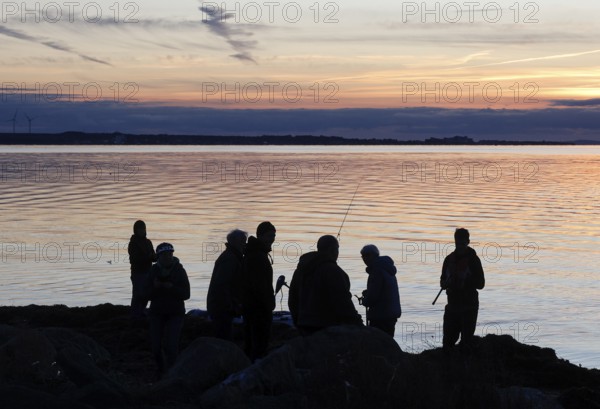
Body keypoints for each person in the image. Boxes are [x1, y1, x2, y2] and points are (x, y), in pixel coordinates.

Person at [288, 235, 363, 335]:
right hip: (327, 327)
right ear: (333, 250)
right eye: (337, 249)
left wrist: (297, 321)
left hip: (303, 325)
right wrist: (359, 324)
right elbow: (344, 303)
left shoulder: (300, 270)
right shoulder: (334, 271)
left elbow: (292, 299)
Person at [144, 242, 190, 377]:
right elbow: (145, 294)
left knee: (172, 346)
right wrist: (156, 287)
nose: (167, 257)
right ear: (158, 257)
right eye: (164, 255)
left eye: (170, 254)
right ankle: (162, 370)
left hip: (175, 314)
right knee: (156, 348)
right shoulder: (153, 271)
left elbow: (186, 294)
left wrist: (172, 288)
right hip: (156, 313)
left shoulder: (180, 270)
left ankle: (173, 373)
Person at [440, 228, 485, 351]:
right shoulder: (448, 260)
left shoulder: (474, 260)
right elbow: (442, 280)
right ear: (454, 242)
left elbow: (481, 284)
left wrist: (466, 279)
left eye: (462, 243)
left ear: (468, 242)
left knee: (466, 343)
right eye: (457, 243)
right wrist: (444, 284)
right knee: (448, 342)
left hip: (469, 307)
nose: (460, 246)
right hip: (452, 306)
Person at [241, 221, 276, 361]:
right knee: (258, 342)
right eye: (269, 235)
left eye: (273, 235)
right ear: (260, 236)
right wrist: (269, 305)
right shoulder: (257, 256)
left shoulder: (255, 253)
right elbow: (260, 286)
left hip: (252, 306)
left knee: (252, 341)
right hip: (258, 308)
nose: (272, 239)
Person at [207, 229, 247, 340]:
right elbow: (222, 285)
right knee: (223, 338)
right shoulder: (230, 259)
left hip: (222, 307)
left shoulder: (232, 257)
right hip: (222, 308)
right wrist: (231, 306)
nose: (245, 245)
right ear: (236, 243)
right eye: (243, 242)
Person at [360, 244, 401, 337]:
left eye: (367, 255)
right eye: (363, 256)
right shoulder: (386, 268)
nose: (364, 258)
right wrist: (368, 291)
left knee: (378, 343)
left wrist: (365, 300)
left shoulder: (376, 270)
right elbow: (382, 289)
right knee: (388, 340)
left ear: (373, 255)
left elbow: (373, 295)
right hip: (391, 313)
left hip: (381, 315)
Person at [127, 220, 156, 320]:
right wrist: (148, 257)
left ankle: (142, 311)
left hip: (148, 272)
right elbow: (134, 259)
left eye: (143, 229)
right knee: (138, 294)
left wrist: (156, 257)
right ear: (135, 230)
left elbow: (153, 256)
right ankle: (135, 314)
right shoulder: (133, 243)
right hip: (137, 273)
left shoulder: (148, 242)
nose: (142, 231)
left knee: (147, 294)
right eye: (140, 229)